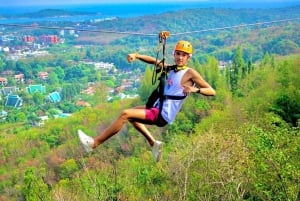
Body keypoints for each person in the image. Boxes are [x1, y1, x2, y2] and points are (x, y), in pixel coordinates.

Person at [78, 40, 216, 162]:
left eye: (184, 55)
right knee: (132, 116)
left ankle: (94, 143)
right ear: (174, 54)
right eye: (178, 54)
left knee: (125, 114)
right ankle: (153, 143)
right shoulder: (172, 69)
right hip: (158, 108)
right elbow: (154, 61)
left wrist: (196, 90)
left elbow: (211, 91)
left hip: (163, 114)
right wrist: (136, 56)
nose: (180, 57)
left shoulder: (190, 73)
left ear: (188, 57)